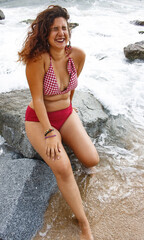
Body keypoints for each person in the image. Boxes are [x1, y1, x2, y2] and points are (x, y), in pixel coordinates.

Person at [18, 5, 99, 240]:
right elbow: (37, 100)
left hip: (66, 115)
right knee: (63, 168)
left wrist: (69, 116)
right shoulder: (38, 60)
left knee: (92, 160)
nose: (61, 33)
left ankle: (70, 143)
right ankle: (84, 224)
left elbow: (71, 90)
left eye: (64, 28)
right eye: (54, 29)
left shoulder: (78, 55)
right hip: (38, 120)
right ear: (45, 33)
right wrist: (49, 132)